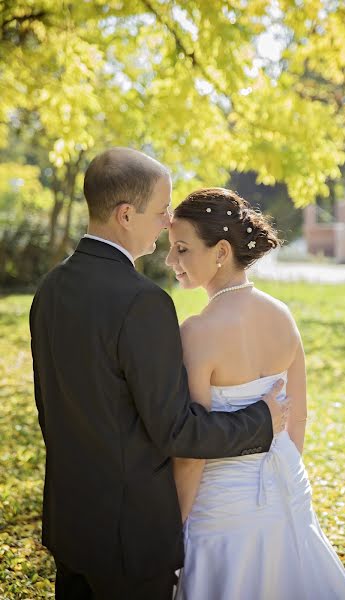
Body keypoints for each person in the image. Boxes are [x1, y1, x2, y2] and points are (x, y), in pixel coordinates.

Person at [29, 148, 287, 600]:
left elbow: (50, 410)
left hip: (71, 525)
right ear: (126, 215)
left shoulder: (50, 289)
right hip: (130, 540)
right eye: (163, 209)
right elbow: (176, 431)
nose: (169, 221)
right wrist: (261, 422)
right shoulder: (142, 301)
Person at [166, 187, 345, 600]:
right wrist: (283, 484)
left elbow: (193, 448)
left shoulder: (197, 333)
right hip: (286, 494)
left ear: (220, 251)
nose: (170, 261)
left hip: (219, 511)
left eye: (182, 249)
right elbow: (299, 417)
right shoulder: (282, 315)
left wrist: (174, 527)